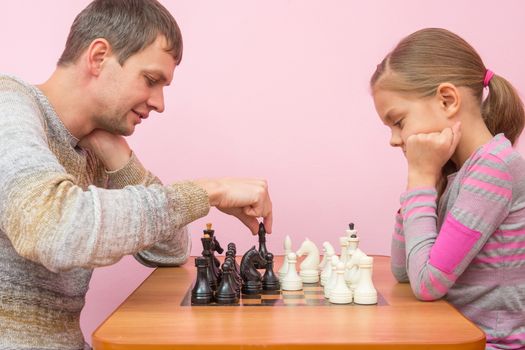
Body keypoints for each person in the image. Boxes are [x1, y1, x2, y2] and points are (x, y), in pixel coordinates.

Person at [0, 0, 272, 349]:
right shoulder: (8, 109)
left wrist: (120, 158)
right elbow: (54, 230)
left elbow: (168, 250)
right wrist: (209, 192)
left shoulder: (90, 144)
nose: (159, 103)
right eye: (150, 80)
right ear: (98, 57)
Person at [370, 28, 525, 349]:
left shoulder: (494, 168)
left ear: (447, 99)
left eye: (398, 121)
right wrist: (427, 180)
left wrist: (420, 179)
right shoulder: (457, 173)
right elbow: (404, 270)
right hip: (449, 336)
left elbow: (428, 284)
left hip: (489, 344)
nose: (394, 139)